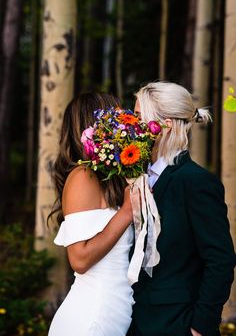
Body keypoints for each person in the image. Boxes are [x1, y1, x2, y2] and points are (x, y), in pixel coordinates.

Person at [128, 81, 236, 336]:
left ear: (164, 126)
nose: (131, 125)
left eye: (138, 117)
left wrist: (200, 326)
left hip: (177, 322)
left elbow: (220, 260)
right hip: (133, 319)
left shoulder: (195, 181)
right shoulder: (135, 176)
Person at [48, 92, 134, 336]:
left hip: (112, 310)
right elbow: (80, 259)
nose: (124, 123)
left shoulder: (107, 178)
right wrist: (126, 213)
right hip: (92, 317)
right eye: (116, 117)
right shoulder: (82, 177)